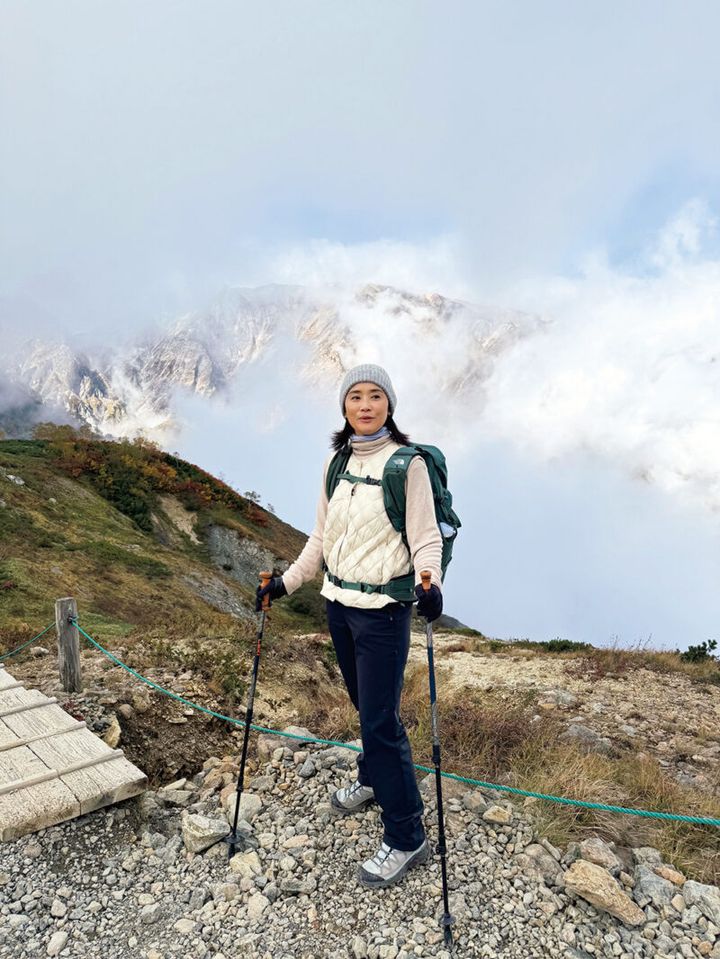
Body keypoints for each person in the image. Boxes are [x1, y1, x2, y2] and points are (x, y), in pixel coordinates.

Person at [256, 363, 444, 888]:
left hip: (384, 613)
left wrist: (430, 585)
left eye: (376, 396)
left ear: (390, 405)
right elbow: (320, 538)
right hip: (338, 606)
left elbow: (425, 536)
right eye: (355, 396)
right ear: (343, 407)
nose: (365, 405)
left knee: (381, 722)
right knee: (366, 709)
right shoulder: (336, 463)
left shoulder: (408, 467)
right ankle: (371, 779)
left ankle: (407, 835)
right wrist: (286, 585)